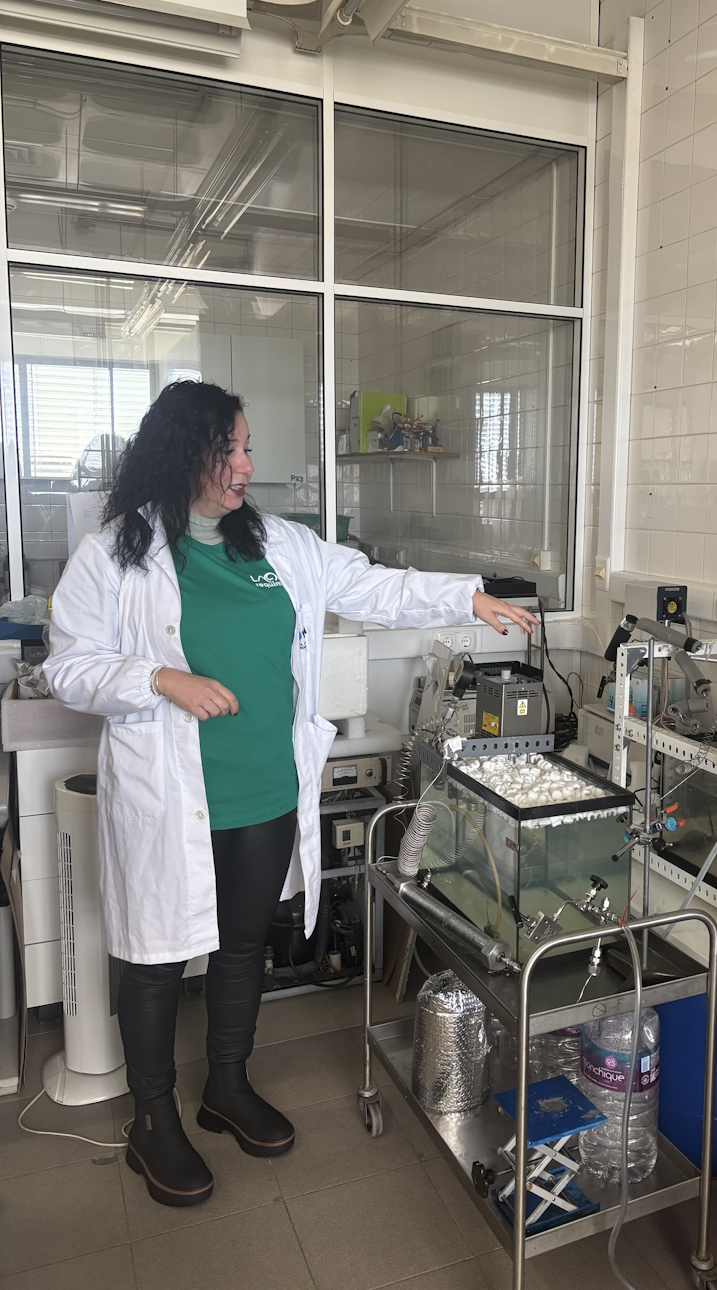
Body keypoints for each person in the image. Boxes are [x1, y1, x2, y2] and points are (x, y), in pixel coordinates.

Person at [44, 380, 536, 1209]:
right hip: (170, 798)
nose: (245, 465)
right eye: (227, 450)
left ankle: (226, 1084)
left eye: (246, 448)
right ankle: (153, 1118)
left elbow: (374, 586)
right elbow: (68, 665)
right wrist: (159, 677)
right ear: (182, 454)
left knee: (243, 945)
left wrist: (466, 596)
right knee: (153, 956)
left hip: (267, 791)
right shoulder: (117, 553)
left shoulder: (279, 544)